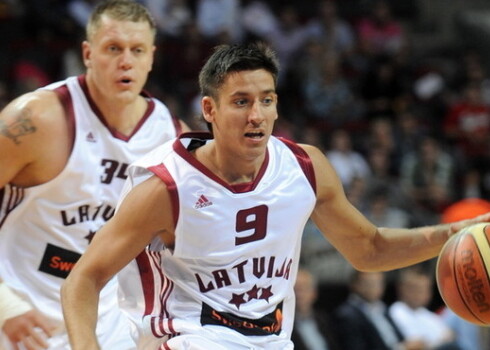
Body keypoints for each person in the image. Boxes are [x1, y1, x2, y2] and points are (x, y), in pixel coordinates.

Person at [60, 42, 490, 350]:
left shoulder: (305, 167)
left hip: (271, 339)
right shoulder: (165, 188)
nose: (256, 115)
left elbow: (369, 249)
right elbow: (84, 279)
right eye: (241, 101)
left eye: (266, 100)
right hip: (189, 337)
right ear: (210, 110)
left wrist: (451, 232)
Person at [0, 0, 189, 349]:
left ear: (151, 57)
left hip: (107, 323)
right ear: (88, 53)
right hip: (17, 312)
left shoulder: (173, 139)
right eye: (113, 48)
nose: (125, 61)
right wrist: (4, 306)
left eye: (137, 50)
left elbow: (191, 248)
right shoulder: (36, 120)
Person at [333, 270, 423, 350]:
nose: (374, 288)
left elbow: (399, 338)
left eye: (378, 283)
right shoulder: (347, 315)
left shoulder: (383, 308)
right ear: (355, 285)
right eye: (369, 283)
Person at [389, 267, 460, 350]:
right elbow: (415, 343)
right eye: (416, 289)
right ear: (403, 289)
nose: (419, 294)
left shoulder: (428, 315)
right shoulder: (397, 311)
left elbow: (449, 336)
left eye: (424, 290)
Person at [291, 268, 340, 350]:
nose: (299, 294)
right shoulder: (281, 324)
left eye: (303, 289)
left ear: (314, 293)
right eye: (295, 289)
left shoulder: (324, 319)